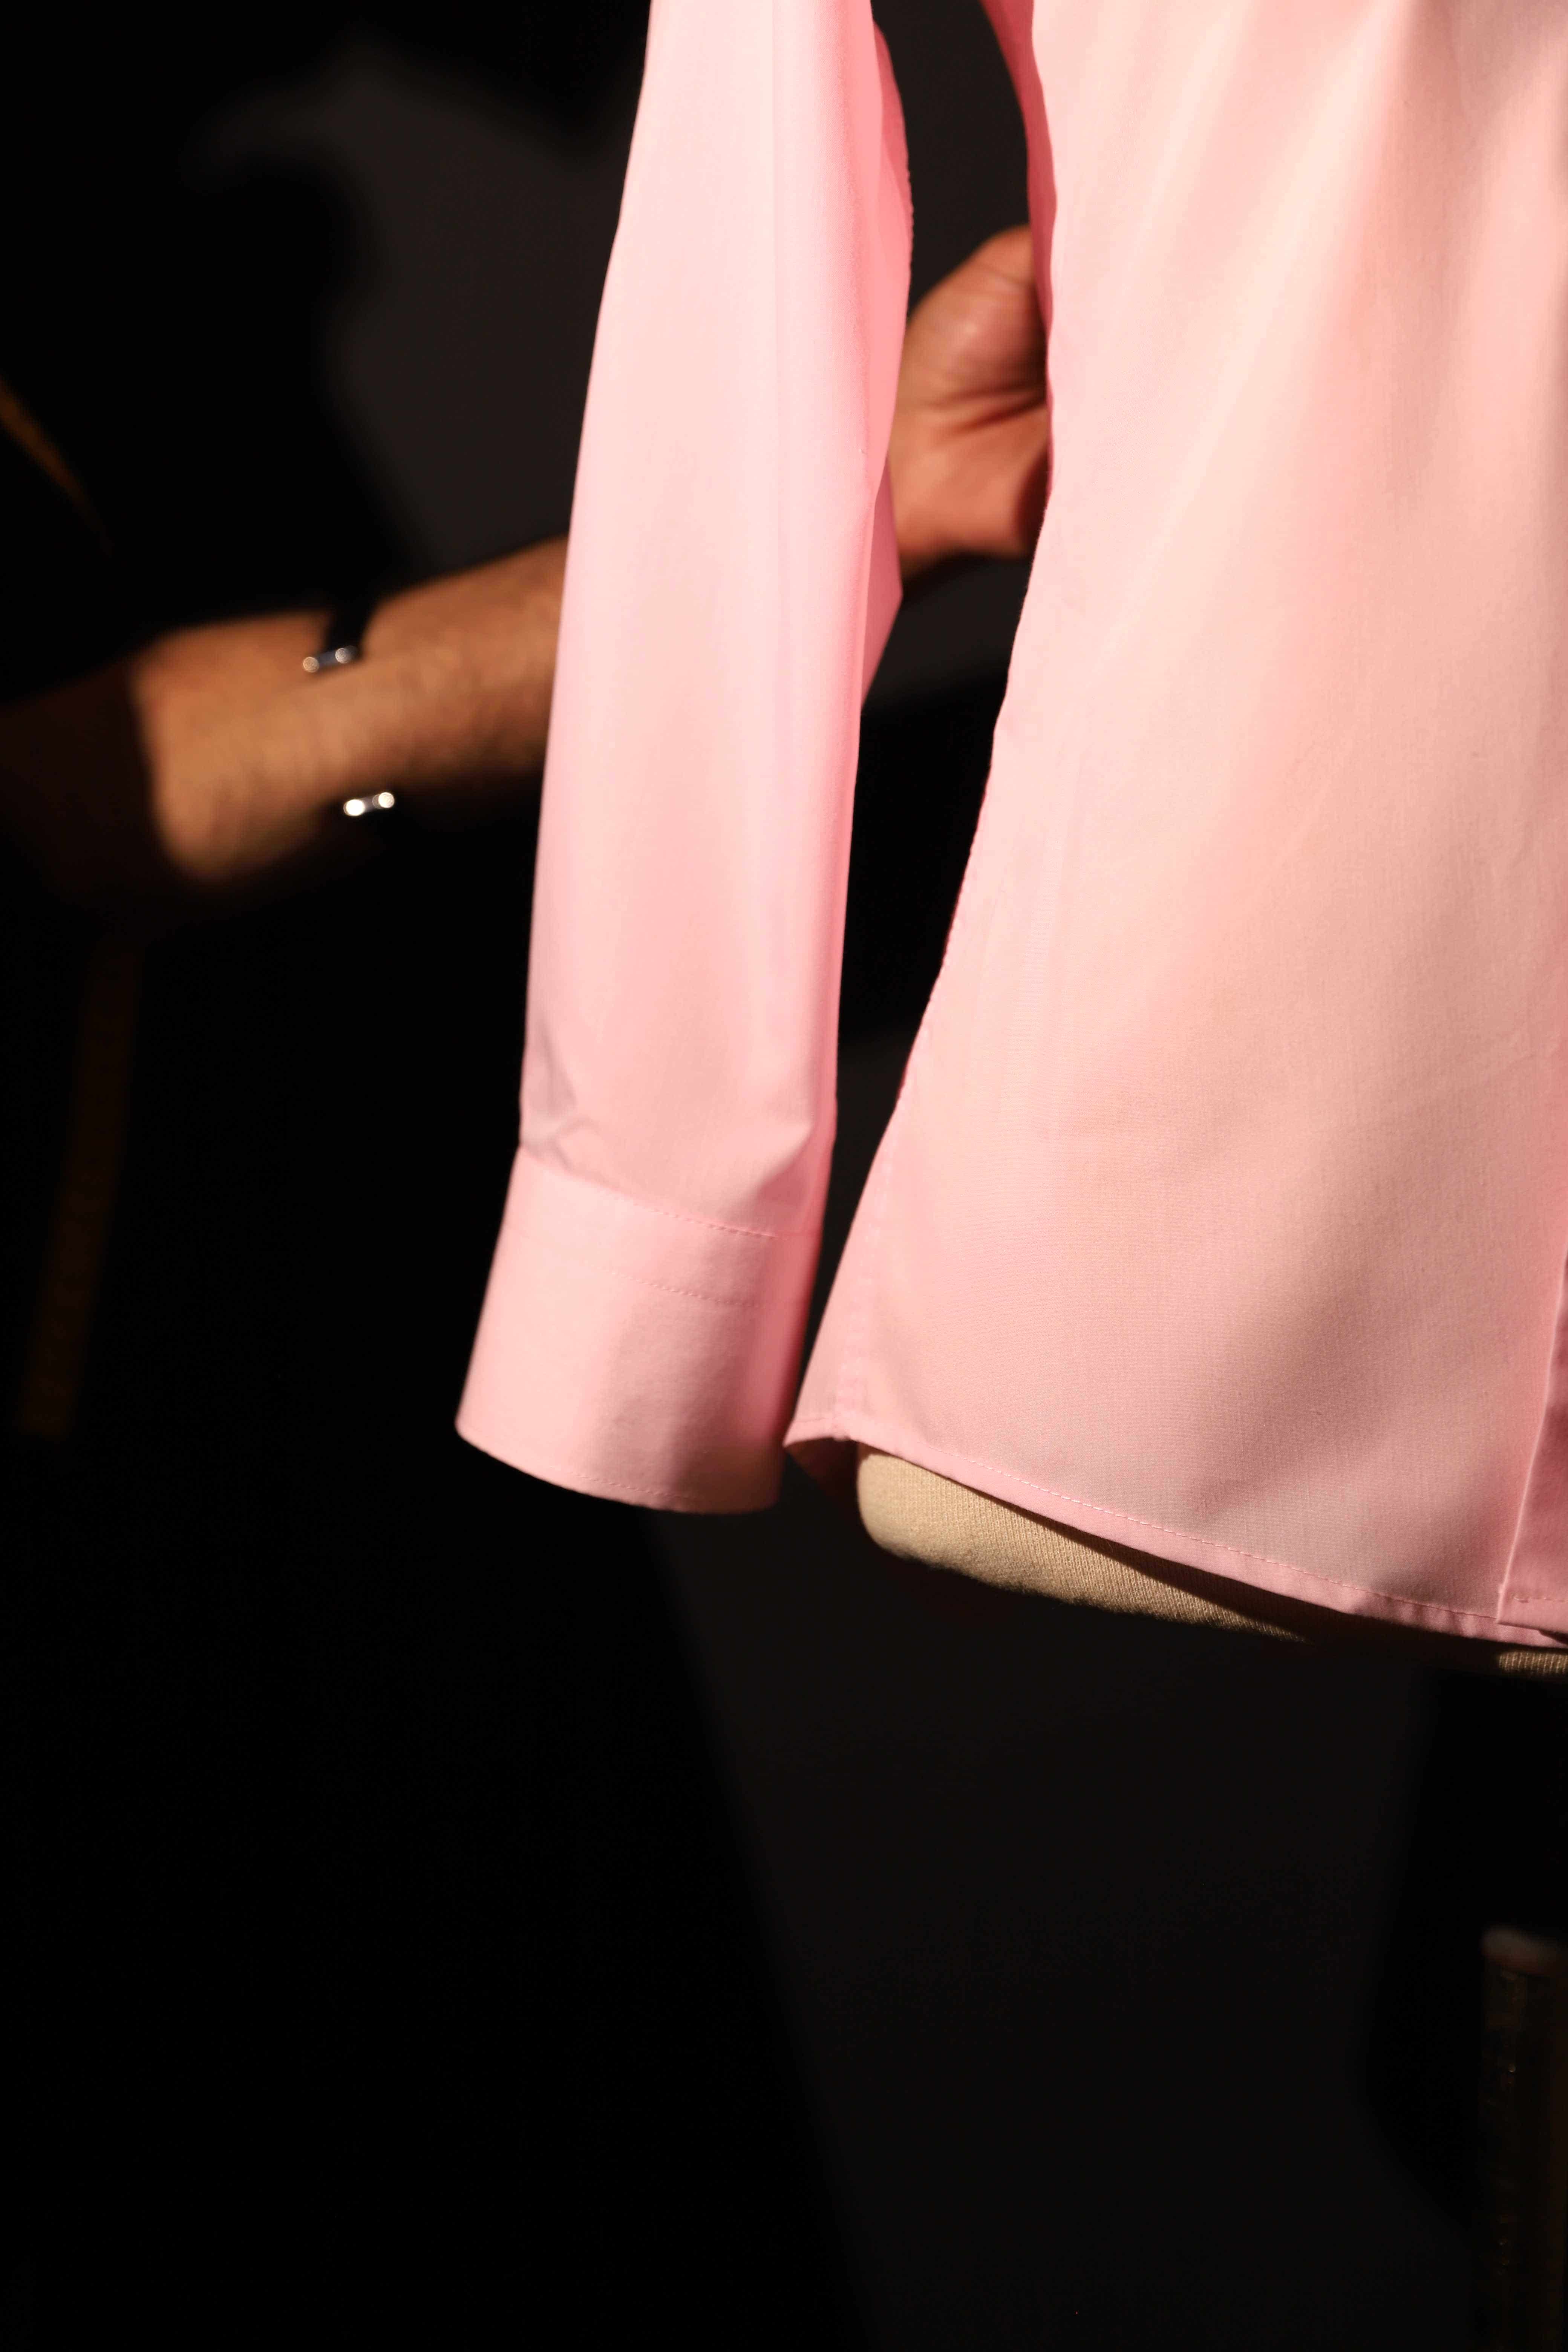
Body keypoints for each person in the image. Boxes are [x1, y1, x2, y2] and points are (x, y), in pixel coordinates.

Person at [0, 226, 1050, 2344]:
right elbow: (97, 794)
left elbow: (146, 784)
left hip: (372, 1442)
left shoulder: (152, 274)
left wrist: (864, 525)